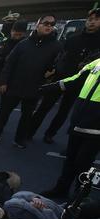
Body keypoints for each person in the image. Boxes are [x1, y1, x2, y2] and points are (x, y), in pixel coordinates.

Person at [0, 15, 62, 149]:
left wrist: (52, 72)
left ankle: (19, 139)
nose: (49, 26)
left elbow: (58, 66)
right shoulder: (24, 44)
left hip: (34, 88)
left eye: (52, 24)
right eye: (45, 23)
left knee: (26, 117)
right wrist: (3, 82)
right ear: (38, 24)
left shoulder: (56, 47)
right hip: (13, 86)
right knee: (3, 113)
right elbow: (9, 63)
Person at [28, 9, 100, 143]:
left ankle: (50, 134)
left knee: (64, 111)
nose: (92, 22)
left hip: (80, 82)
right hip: (60, 78)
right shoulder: (73, 38)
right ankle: (29, 132)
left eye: (96, 19)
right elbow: (60, 57)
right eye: (90, 19)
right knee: (44, 106)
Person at [40, 57, 100, 199]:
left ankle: (79, 197)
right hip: (79, 121)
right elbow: (76, 79)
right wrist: (49, 87)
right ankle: (61, 189)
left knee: (83, 163)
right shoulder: (97, 62)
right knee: (70, 159)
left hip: (96, 127)